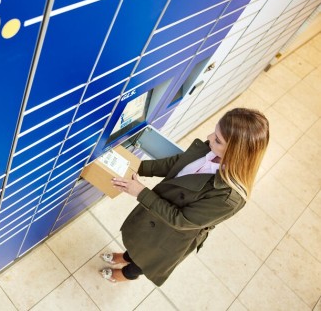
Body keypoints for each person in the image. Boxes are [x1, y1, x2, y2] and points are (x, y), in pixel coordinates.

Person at [100, 108, 269, 286]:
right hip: (157, 211)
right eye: (214, 132)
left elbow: (181, 220)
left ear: (236, 153)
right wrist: (137, 167)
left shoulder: (228, 197)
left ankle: (127, 274)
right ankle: (125, 257)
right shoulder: (213, 151)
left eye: (218, 140)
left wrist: (141, 192)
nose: (210, 137)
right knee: (137, 246)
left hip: (170, 234)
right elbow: (177, 164)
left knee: (145, 259)